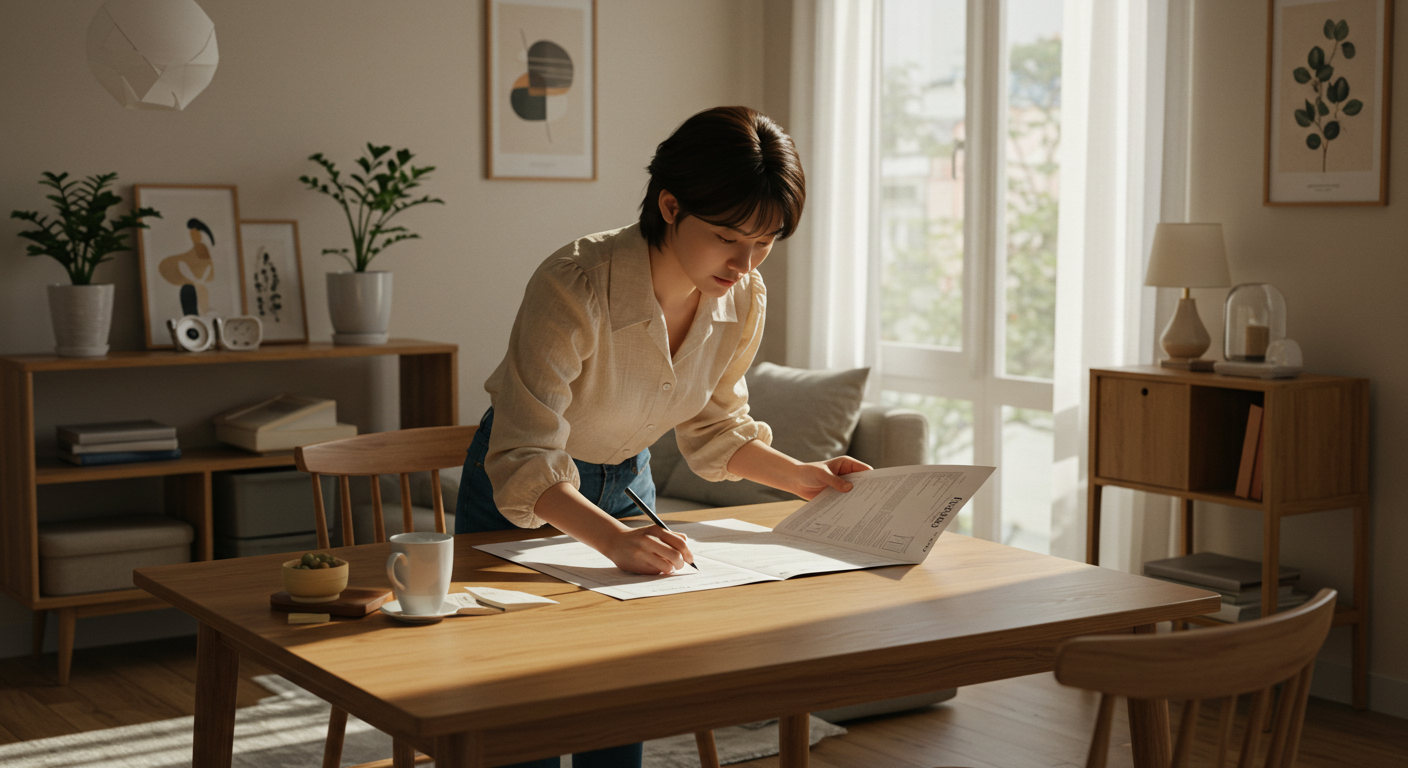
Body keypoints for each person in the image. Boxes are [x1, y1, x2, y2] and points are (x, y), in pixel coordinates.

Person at [455, 106, 870, 768]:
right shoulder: (577, 282)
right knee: (520, 708)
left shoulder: (743, 297)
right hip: (527, 495)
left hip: (628, 485)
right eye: (728, 237)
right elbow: (524, 457)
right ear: (670, 205)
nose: (745, 261)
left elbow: (716, 428)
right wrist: (614, 540)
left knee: (620, 699)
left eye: (764, 242)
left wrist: (804, 477)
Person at [158, 218, 217, 316]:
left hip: (198, 287)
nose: (193, 236)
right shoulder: (195, 251)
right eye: (192, 234)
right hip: (191, 286)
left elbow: (206, 269)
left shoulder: (201, 248)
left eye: (195, 234)